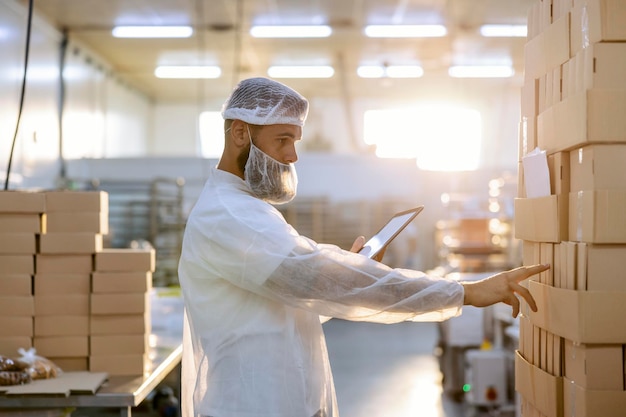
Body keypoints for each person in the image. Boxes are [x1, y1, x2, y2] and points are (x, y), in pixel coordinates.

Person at [177, 77, 548, 417]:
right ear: (240, 133)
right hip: (250, 405)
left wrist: (350, 269)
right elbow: (310, 280)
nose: (292, 156)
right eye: (282, 139)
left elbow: (288, 301)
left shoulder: (250, 210)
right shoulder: (228, 216)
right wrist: (465, 293)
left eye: (294, 141)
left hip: (278, 400)